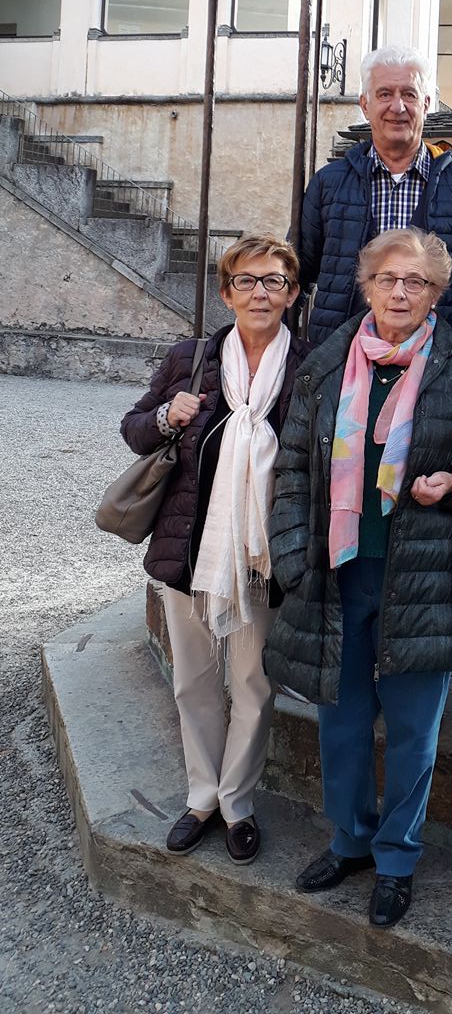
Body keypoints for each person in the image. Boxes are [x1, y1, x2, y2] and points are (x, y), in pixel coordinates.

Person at [264, 228, 452, 929]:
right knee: (339, 724)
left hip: (421, 577)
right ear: (367, 285)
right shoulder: (327, 360)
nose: (402, 292)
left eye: (418, 283)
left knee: (412, 732)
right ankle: (350, 841)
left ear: (436, 293)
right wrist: (291, 556)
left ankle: (396, 858)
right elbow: (292, 467)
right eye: (389, 279)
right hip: (337, 571)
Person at [119, 235, 307, 863]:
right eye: (247, 280)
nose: (260, 292)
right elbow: (134, 428)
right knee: (195, 680)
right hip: (191, 549)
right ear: (226, 292)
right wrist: (168, 417)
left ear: (292, 293)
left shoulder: (308, 367)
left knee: (252, 683)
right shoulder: (190, 359)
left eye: (274, 281)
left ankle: (238, 803)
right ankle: (202, 797)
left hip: (260, 557)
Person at [299, 44, 452, 353]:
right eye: (385, 94)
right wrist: (295, 354)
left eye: (409, 94)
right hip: (341, 362)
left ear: (426, 103)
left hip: (438, 368)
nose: (398, 106)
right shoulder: (329, 184)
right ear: (365, 105)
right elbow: (295, 274)